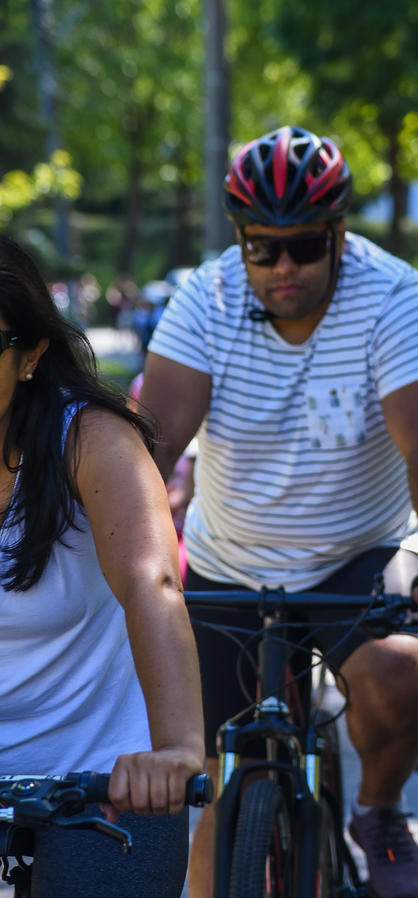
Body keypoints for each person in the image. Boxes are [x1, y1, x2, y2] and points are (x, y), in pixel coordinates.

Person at [139, 125, 418, 898]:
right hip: (229, 562)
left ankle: (378, 808)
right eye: (261, 248)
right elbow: (155, 445)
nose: (283, 267)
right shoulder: (206, 296)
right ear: (240, 241)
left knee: (403, 674)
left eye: (303, 245)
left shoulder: (393, 293)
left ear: (337, 234)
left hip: (357, 553)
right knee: (210, 793)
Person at [0, 234, 205, 897]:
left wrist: (175, 749)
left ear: (31, 355)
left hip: (104, 778)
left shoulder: (89, 438)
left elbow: (154, 582)